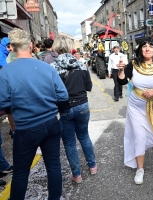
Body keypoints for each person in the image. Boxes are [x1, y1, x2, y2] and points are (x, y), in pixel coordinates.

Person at [0, 28, 68, 199]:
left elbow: (3, 103)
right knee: (53, 166)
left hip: (25, 127)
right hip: (51, 123)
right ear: (31, 45)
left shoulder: (6, 72)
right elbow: (63, 95)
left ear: (12, 48)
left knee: (21, 172)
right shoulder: (46, 67)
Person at [117, 37, 153, 184]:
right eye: (144, 46)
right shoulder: (134, 64)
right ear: (140, 49)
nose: (147, 48)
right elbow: (122, 81)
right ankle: (140, 169)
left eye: (151, 46)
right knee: (139, 137)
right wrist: (121, 71)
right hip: (136, 108)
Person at [50, 36, 97, 184]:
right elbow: (89, 87)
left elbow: (51, 91)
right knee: (84, 136)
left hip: (64, 108)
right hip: (82, 105)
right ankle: (93, 166)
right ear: (71, 47)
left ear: (56, 47)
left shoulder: (52, 68)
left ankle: (77, 175)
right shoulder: (81, 64)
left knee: (69, 142)